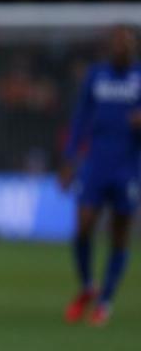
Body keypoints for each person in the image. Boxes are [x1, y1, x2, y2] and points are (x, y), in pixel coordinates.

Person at [59, 25, 141, 326]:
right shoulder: (96, 75)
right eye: (117, 42)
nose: (122, 47)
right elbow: (80, 117)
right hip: (95, 163)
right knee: (83, 226)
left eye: (128, 42)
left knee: (119, 234)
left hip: (128, 166)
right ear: (110, 46)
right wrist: (69, 158)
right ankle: (87, 286)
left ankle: (105, 300)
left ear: (135, 47)